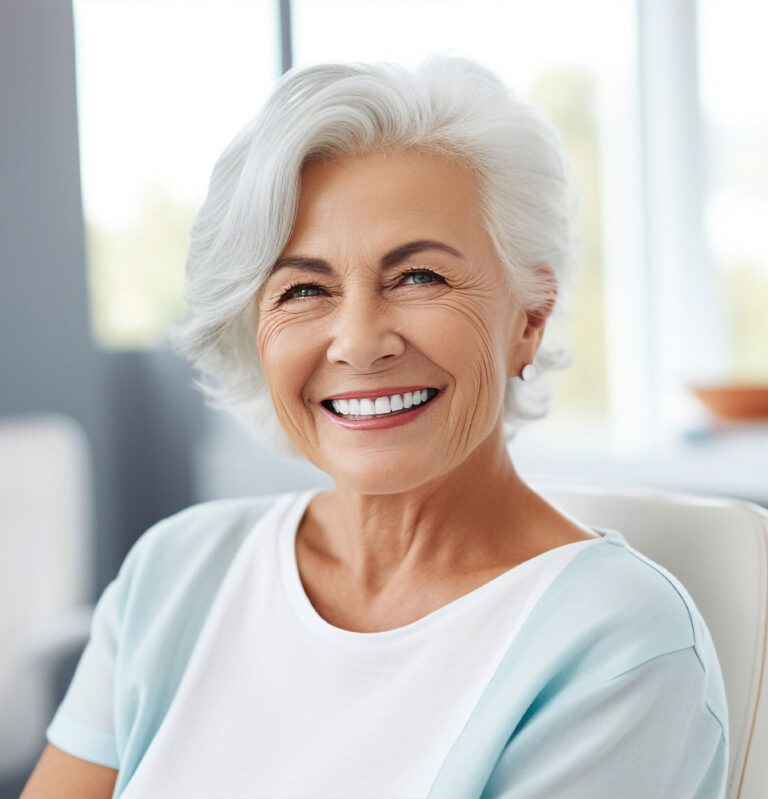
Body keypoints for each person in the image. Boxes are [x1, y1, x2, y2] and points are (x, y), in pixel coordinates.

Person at [23, 55, 728, 799]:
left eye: (419, 276)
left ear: (529, 316)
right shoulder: (173, 572)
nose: (359, 341)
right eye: (303, 288)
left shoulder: (620, 644)